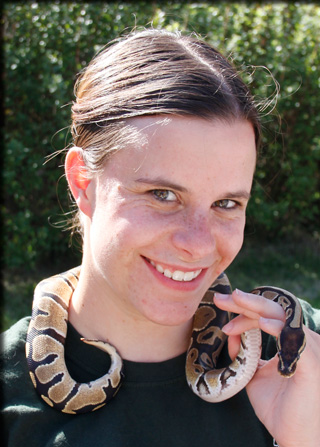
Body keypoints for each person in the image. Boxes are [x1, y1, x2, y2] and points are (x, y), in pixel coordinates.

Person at [1, 28, 320, 447]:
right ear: (83, 182)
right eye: (163, 195)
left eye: (226, 203)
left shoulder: (303, 355)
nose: (200, 244)